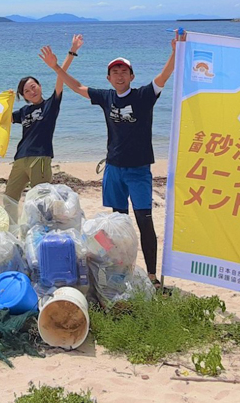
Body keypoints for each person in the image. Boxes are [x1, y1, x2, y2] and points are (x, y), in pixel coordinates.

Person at [39, 31, 187, 287]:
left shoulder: (142, 96)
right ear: (109, 78)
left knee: (144, 221)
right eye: (115, 72)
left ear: (131, 76)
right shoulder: (106, 97)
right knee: (118, 223)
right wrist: (56, 67)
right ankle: (124, 268)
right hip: (113, 170)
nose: (119, 75)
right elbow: (76, 87)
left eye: (124, 71)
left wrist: (176, 51)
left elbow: (164, 77)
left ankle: (152, 276)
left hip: (139, 170)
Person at [5, 34, 84, 203]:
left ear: (40, 87)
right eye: (27, 91)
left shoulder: (50, 105)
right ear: (24, 96)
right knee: (9, 199)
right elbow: (3, 119)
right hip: (20, 159)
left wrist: (72, 52)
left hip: (40, 158)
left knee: (41, 202)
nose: (32, 92)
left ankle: (41, 229)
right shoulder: (23, 111)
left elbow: (60, 77)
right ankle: (11, 228)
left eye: (33, 87)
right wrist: (6, 100)